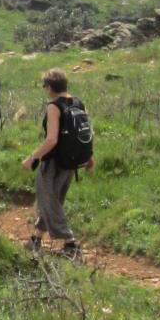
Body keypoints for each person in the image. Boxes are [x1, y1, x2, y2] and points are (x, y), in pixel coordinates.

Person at [23, 68, 92, 256]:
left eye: (45, 85)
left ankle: (70, 242)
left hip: (54, 161)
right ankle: (36, 238)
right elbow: (85, 133)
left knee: (48, 200)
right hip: (72, 161)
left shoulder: (54, 107)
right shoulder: (78, 102)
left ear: (50, 87)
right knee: (53, 200)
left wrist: (33, 157)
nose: (44, 89)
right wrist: (88, 156)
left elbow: (52, 139)